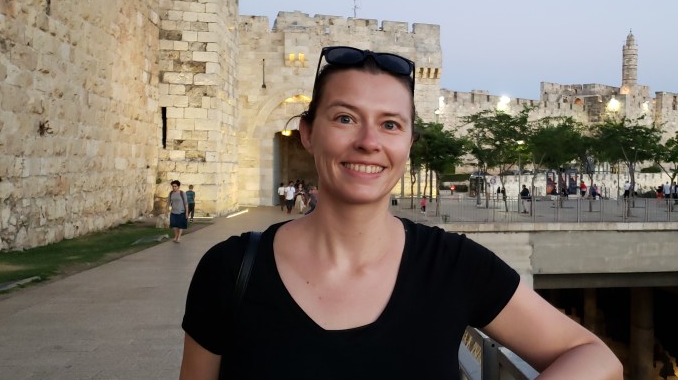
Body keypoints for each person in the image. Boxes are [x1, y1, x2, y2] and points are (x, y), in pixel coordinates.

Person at [179, 46, 621, 379]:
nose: (369, 141)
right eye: (346, 118)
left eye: (391, 124)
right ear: (308, 134)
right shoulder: (229, 270)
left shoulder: (452, 265)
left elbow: (596, 357)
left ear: (408, 145)